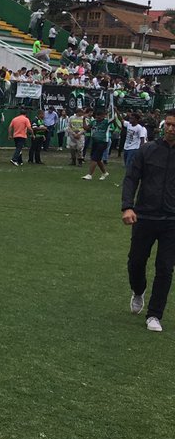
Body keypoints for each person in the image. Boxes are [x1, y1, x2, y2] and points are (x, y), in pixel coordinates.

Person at [122, 110, 175, 333]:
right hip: (144, 216)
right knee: (136, 261)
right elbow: (131, 178)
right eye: (169, 125)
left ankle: (154, 315)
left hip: (171, 221)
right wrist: (127, 206)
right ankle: (138, 290)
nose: (171, 129)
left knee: (165, 268)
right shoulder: (148, 150)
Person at [83, 109, 112, 180]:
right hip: (95, 141)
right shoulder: (94, 122)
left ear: (103, 116)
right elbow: (86, 128)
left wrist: (113, 111)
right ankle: (105, 173)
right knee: (97, 159)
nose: (98, 118)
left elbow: (113, 120)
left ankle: (90, 175)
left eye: (99, 117)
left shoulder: (106, 122)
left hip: (103, 142)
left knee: (94, 158)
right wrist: (83, 119)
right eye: (97, 117)